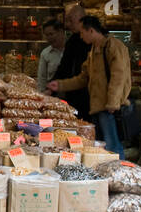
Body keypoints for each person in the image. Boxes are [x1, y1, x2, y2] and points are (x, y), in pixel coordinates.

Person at [48, 16, 132, 156]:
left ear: (91, 30)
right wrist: (60, 85)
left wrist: (112, 102)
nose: (80, 36)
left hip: (109, 108)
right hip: (98, 106)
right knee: (104, 145)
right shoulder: (93, 51)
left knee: (113, 145)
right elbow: (83, 78)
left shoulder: (113, 46)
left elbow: (119, 76)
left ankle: (118, 173)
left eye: (82, 32)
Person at [51, 4, 91, 118]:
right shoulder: (73, 40)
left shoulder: (98, 43)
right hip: (74, 93)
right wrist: (54, 86)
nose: (67, 25)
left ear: (81, 19)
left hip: (90, 96)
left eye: (70, 21)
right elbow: (65, 66)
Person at [37, 18, 67, 91]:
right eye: (47, 35)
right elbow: (42, 78)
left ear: (61, 32)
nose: (49, 38)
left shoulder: (72, 49)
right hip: (52, 93)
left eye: (51, 34)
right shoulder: (45, 53)